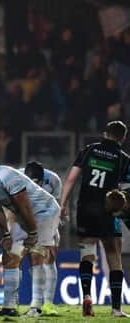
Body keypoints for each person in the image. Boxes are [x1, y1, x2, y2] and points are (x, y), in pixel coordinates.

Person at [0, 163, 59, 317]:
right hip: (24, 216)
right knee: (10, 255)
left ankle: (36, 306)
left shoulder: (7, 177)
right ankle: (9, 306)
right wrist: (6, 235)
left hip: (45, 212)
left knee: (36, 253)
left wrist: (33, 232)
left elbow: (25, 206)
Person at [60, 121, 130, 317]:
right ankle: (116, 309)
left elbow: (71, 179)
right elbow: (127, 190)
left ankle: (87, 297)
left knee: (87, 255)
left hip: (86, 210)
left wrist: (63, 204)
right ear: (123, 138)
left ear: (104, 133)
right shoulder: (124, 158)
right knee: (114, 257)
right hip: (109, 212)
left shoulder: (89, 150)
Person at [16, 161, 61, 315]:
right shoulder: (17, 178)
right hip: (24, 218)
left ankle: (47, 303)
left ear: (43, 180)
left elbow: (54, 204)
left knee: (48, 257)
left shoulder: (54, 180)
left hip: (47, 216)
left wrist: (52, 229)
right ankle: (24, 302)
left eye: (38, 183)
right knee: (26, 258)